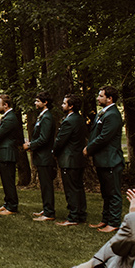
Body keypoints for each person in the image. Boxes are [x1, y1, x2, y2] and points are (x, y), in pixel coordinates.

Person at [84, 86, 124, 232]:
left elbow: (104, 137)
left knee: (113, 193)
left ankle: (114, 223)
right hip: (102, 160)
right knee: (106, 193)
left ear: (109, 99)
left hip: (111, 160)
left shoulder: (113, 114)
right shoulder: (103, 112)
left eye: (101, 96)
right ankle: (105, 220)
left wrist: (89, 148)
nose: (98, 98)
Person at [52, 93, 87, 227]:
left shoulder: (69, 121)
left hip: (69, 160)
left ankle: (73, 217)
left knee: (71, 189)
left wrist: (54, 152)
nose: (62, 105)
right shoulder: (79, 119)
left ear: (71, 106)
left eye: (64, 103)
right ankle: (81, 214)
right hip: (78, 159)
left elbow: (60, 141)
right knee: (78, 188)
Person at [24, 91, 57, 221]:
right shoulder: (42, 116)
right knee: (43, 185)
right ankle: (46, 208)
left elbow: (44, 138)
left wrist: (30, 145)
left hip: (45, 157)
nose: (35, 103)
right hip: (41, 156)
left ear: (45, 103)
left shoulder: (47, 117)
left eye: (38, 101)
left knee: (47, 185)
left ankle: (49, 213)